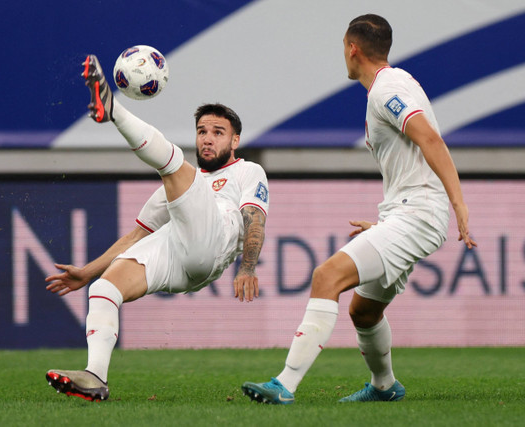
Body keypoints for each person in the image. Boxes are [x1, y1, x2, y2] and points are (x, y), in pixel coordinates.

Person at [242, 14, 477, 405]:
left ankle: (284, 384)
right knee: (364, 312)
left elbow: (431, 140)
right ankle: (385, 386)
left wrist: (458, 203)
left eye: (343, 49)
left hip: (419, 213)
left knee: (326, 276)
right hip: (407, 213)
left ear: (352, 49)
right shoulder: (396, 84)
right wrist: (388, 223)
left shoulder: (387, 90)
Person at [44, 54, 269, 402]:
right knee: (105, 289)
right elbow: (137, 235)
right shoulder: (181, 185)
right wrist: (86, 273)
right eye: (202, 131)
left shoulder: (246, 171)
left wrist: (248, 267)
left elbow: (255, 220)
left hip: (214, 241)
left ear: (235, 141)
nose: (207, 139)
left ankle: (112, 109)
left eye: (218, 133)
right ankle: (95, 377)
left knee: (173, 164)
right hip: (180, 255)